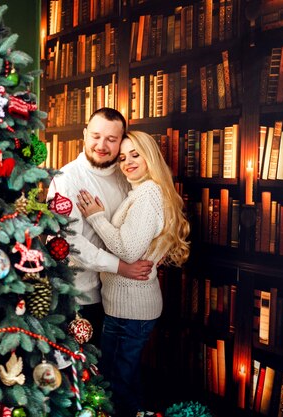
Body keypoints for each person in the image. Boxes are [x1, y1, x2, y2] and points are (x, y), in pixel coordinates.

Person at [76, 130, 190, 417]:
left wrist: (96, 218)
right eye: (123, 157)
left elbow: (127, 251)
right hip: (127, 306)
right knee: (124, 378)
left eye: (135, 155)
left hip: (131, 311)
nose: (127, 162)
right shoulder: (141, 192)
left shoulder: (149, 194)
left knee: (117, 383)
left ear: (149, 156)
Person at [47, 108, 154, 346]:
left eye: (111, 139)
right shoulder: (67, 178)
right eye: (95, 136)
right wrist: (122, 267)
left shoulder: (126, 174)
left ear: (121, 141)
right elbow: (68, 243)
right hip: (77, 296)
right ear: (85, 135)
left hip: (116, 298)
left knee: (107, 375)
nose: (101, 145)